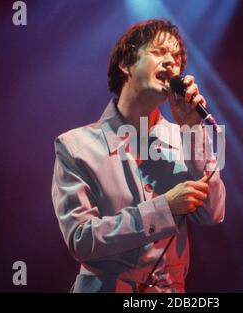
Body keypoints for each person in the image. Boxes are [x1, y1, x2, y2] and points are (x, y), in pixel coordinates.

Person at [51, 19, 226, 293]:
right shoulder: (76, 146)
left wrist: (193, 131)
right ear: (127, 64)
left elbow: (212, 213)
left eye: (177, 57)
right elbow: (81, 240)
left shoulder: (184, 137)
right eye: (158, 52)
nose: (171, 62)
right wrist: (163, 209)